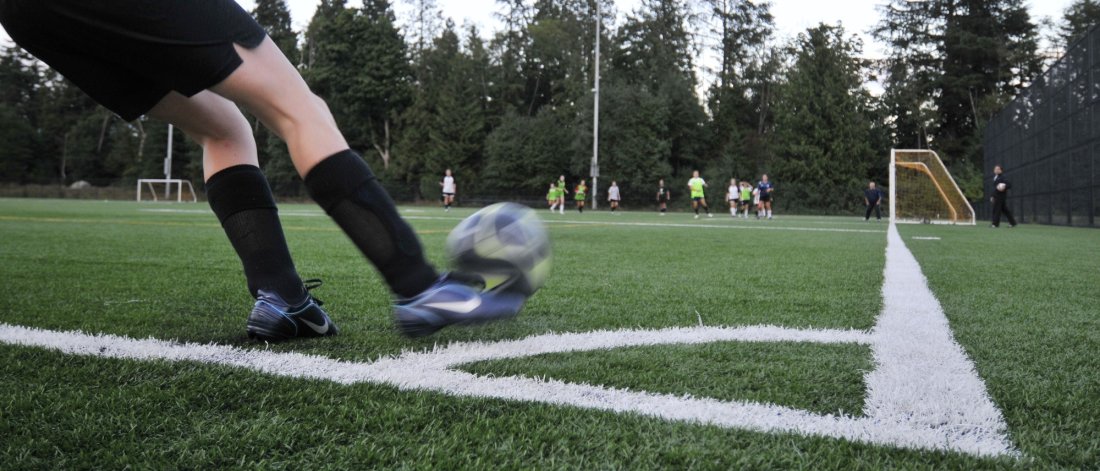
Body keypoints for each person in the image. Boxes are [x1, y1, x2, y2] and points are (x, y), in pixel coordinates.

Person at [0, 0, 527, 340]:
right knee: (298, 108)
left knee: (224, 128)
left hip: (27, 13)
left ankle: (284, 297)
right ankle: (420, 287)